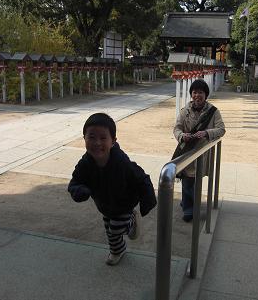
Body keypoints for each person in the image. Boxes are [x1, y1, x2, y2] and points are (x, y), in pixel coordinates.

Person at [68, 113, 157, 266]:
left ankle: (131, 222)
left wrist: (147, 201)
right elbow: (75, 182)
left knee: (115, 228)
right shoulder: (85, 163)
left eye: (103, 138)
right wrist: (79, 190)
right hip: (104, 205)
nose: (97, 143)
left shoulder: (121, 162)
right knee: (110, 229)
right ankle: (117, 250)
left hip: (124, 203)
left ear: (113, 141)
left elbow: (142, 178)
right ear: (84, 138)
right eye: (91, 137)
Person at [173, 79, 226, 222]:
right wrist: (182, 136)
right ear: (191, 94)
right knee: (188, 180)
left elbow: (221, 129)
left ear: (206, 94)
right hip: (187, 151)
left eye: (200, 92)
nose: (197, 95)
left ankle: (188, 203)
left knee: (194, 181)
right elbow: (177, 128)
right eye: (195, 92)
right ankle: (189, 210)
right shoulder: (185, 111)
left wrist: (207, 133)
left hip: (202, 152)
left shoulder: (213, 111)